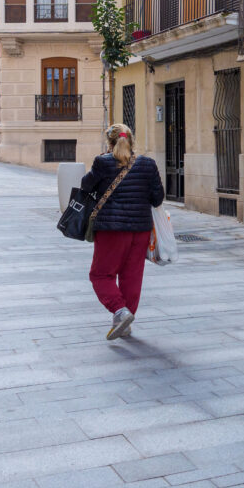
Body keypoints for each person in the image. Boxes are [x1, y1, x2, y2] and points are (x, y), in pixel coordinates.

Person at [79, 124, 164, 340]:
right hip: (140, 230)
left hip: (111, 230)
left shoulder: (102, 162)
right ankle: (124, 324)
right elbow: (157, 198)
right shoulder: (148, 164)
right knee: (131, 277)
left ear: (109, 142)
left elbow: (85, 187)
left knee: (100, 274)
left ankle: (119, 311)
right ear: (131, 141)